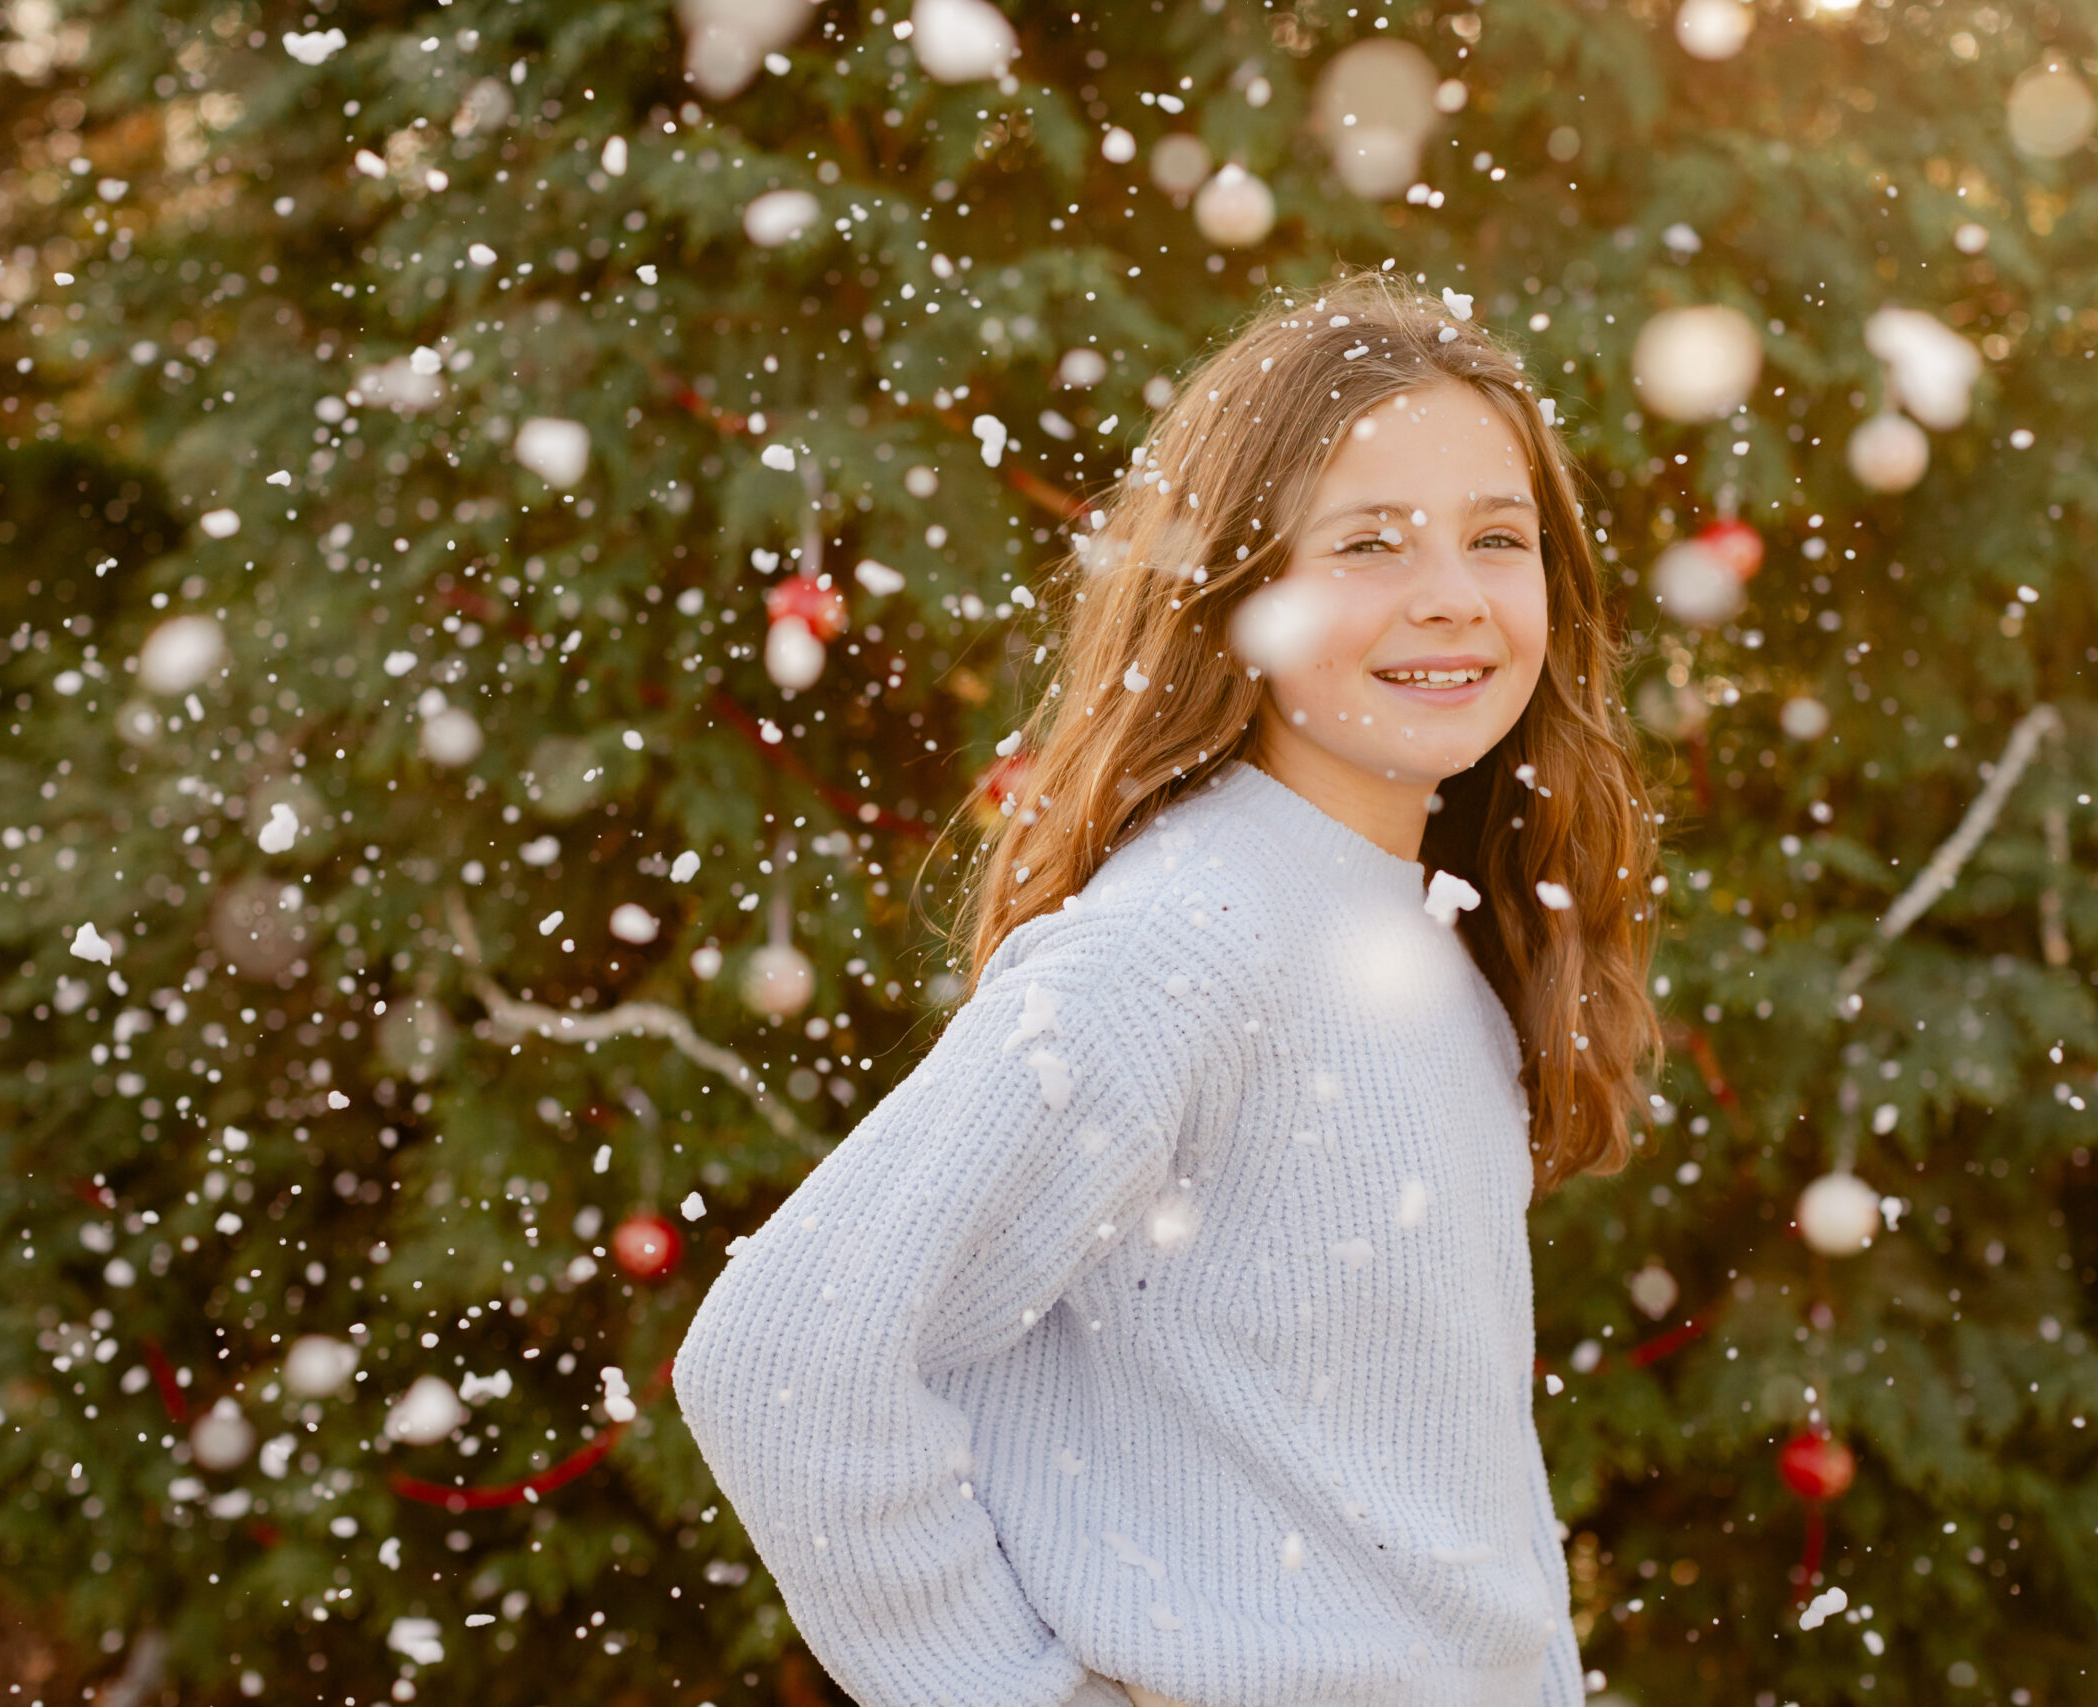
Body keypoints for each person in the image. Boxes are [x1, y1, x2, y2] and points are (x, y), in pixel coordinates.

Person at [672, 265, 1661, 1707]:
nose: (1449, 597)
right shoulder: (1182, 944)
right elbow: (787, 1361)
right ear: (1238, 594)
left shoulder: (1431, 938)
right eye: (1370, 544)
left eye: (1495, 539)